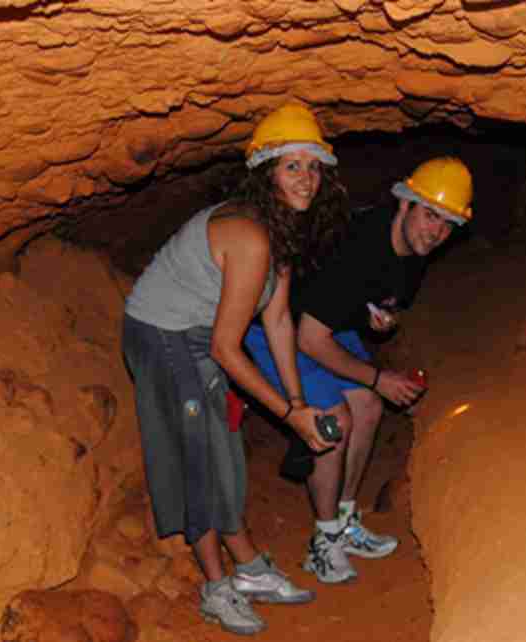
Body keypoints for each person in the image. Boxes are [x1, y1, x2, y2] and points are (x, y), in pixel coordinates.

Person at [121, 103, 350, 635]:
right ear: (266, 171)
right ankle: (215, 586)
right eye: (291, 165)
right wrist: (288, 416)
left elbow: (278, 324)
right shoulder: (249, 236)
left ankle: (247, 568)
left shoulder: (281, 230)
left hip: (199, 336)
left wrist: (298, 402)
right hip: (163, 334)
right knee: (198, 453)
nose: (306, 178)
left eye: (313, 166)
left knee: (222, 444)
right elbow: (229, 348)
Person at [243, 156, 474, 584]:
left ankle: (344, 522)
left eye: (447, 224)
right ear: (405, 204)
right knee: (336, 420)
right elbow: (309, 339)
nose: (436, 231)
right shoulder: (358, 244)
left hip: (327, 320)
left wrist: (378, 317)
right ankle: (323, 541)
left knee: (368, 407)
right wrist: (378, 376)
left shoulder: (416, 249)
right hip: (278, 325)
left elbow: (373, 298)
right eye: (429, 216)